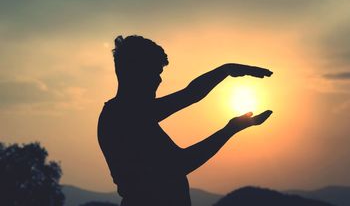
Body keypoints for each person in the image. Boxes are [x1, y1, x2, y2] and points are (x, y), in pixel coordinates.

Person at [97, 35, 273, 206]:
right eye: (154, 72)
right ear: (134, 72)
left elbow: (191, 94)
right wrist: (230, 129)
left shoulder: (126, 112)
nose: (159, 80)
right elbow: (179, 164)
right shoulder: (124, 117)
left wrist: (226, 70)